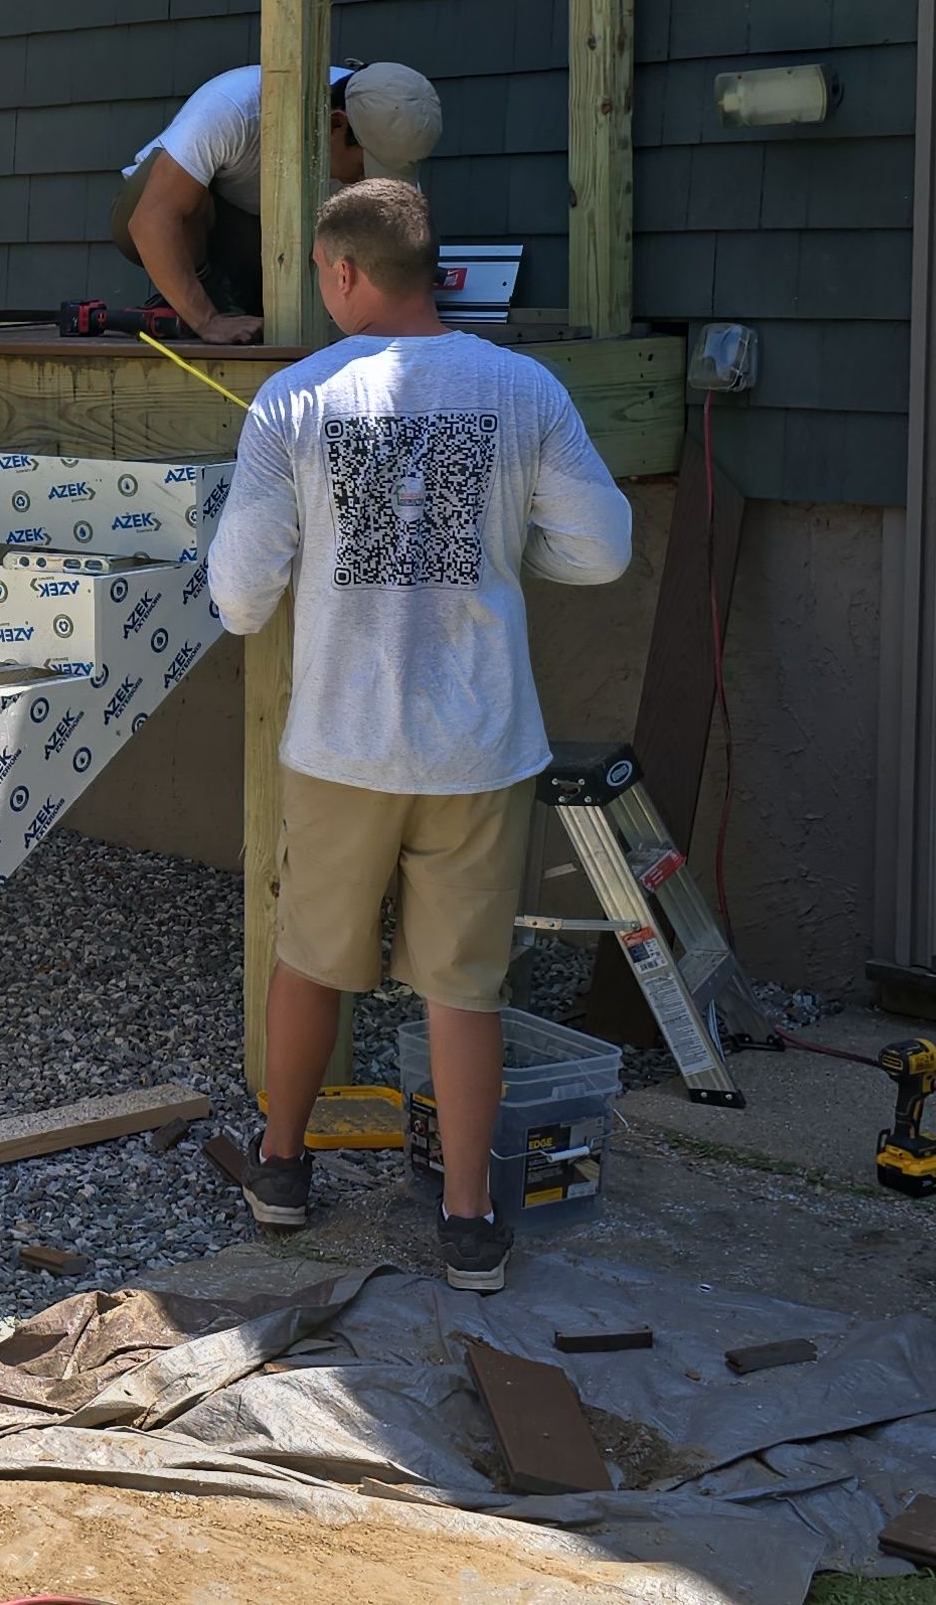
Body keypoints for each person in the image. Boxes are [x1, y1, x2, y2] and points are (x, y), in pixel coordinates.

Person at [195, 178, 633, 1292]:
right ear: (431, 267)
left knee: (309, 959)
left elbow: (241, 597)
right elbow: (601, 548)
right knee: (463, 983)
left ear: (343, 271)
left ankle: (282, 1171)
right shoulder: (522, 387)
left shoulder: (292, 400)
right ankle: (470, 1221)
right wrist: (502, 553)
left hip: (340, 746)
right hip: (481, 745)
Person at [116, 61, 444, 343]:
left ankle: (238, 298)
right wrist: (207, 321)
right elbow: (150, 220)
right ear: (336, 124)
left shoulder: (390, 122)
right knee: (177, 199)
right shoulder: (234, 107)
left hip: (268, 237)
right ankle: (205, 294)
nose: (364, 181)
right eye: (363, 169)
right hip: (183, 220)